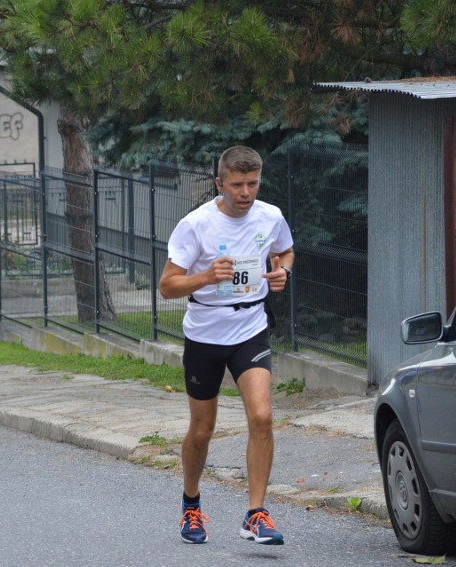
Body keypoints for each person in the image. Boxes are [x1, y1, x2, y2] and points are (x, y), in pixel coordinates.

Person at [159, 146, 294, 545]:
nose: (246, 192)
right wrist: (204, 276)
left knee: (262, 416)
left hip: (250, 327)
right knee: (202, 431)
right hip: (204, 335)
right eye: (237, 185)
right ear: (221, 184)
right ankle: (191, 505)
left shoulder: (270, 216)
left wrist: (282, 270)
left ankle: (256, 513)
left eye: (252, 183)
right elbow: (167, 286)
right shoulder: (195, 225)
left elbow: (285, 249)